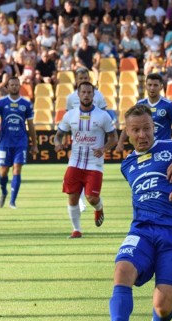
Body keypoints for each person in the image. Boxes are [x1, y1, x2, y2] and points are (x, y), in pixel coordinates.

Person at [88, 104, 172, 321]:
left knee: (162, 307)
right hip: (141, 229)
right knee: (122, 269)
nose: (142, 135)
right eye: (135, 130)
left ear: (154, 128)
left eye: (146, 128)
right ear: (127, 134)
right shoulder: (127, 164)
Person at [54, 82, 118, 238]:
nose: (86, 95)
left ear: (93, 95)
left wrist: (103, 149)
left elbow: (114, 137)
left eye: (89, 92)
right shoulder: (70, 115)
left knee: (91, 197)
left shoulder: (103, 116)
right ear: (78, 94)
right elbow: (59, 135)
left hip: (94, 164)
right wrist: (57, 143)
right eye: (83, 92)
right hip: (74, 162)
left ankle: (99, 208)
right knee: (73, 196)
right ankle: (77, 230)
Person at [0, 76, 39, 209]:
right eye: (12, 85)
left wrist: (34, 144)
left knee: (17, 169)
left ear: (20, 86)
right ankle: (4, 191)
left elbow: (31, 125)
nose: (14, 87)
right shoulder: (2, 102)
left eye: (17, 85)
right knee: (3, 171)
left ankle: (12, 201)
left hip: (20, 142)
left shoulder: (26, 104)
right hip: (5, 143)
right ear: (8, 87)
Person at [115, 73, 172, 153]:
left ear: (161, 87)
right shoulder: (140, 104)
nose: (152, 88)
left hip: (162, 149)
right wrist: (120, 143)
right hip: (145, 149)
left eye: (155, 85)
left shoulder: (169, 105)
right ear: (146, 86)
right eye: (150, 85)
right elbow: (128, 126)